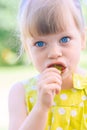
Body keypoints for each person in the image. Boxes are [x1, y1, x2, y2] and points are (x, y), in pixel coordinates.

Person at [8, 0, 87, 130]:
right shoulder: (20, 93)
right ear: (27, 49)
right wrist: (41, 107)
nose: (54, 53)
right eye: (40, 43)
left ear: (83, 39)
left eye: (64, 39)